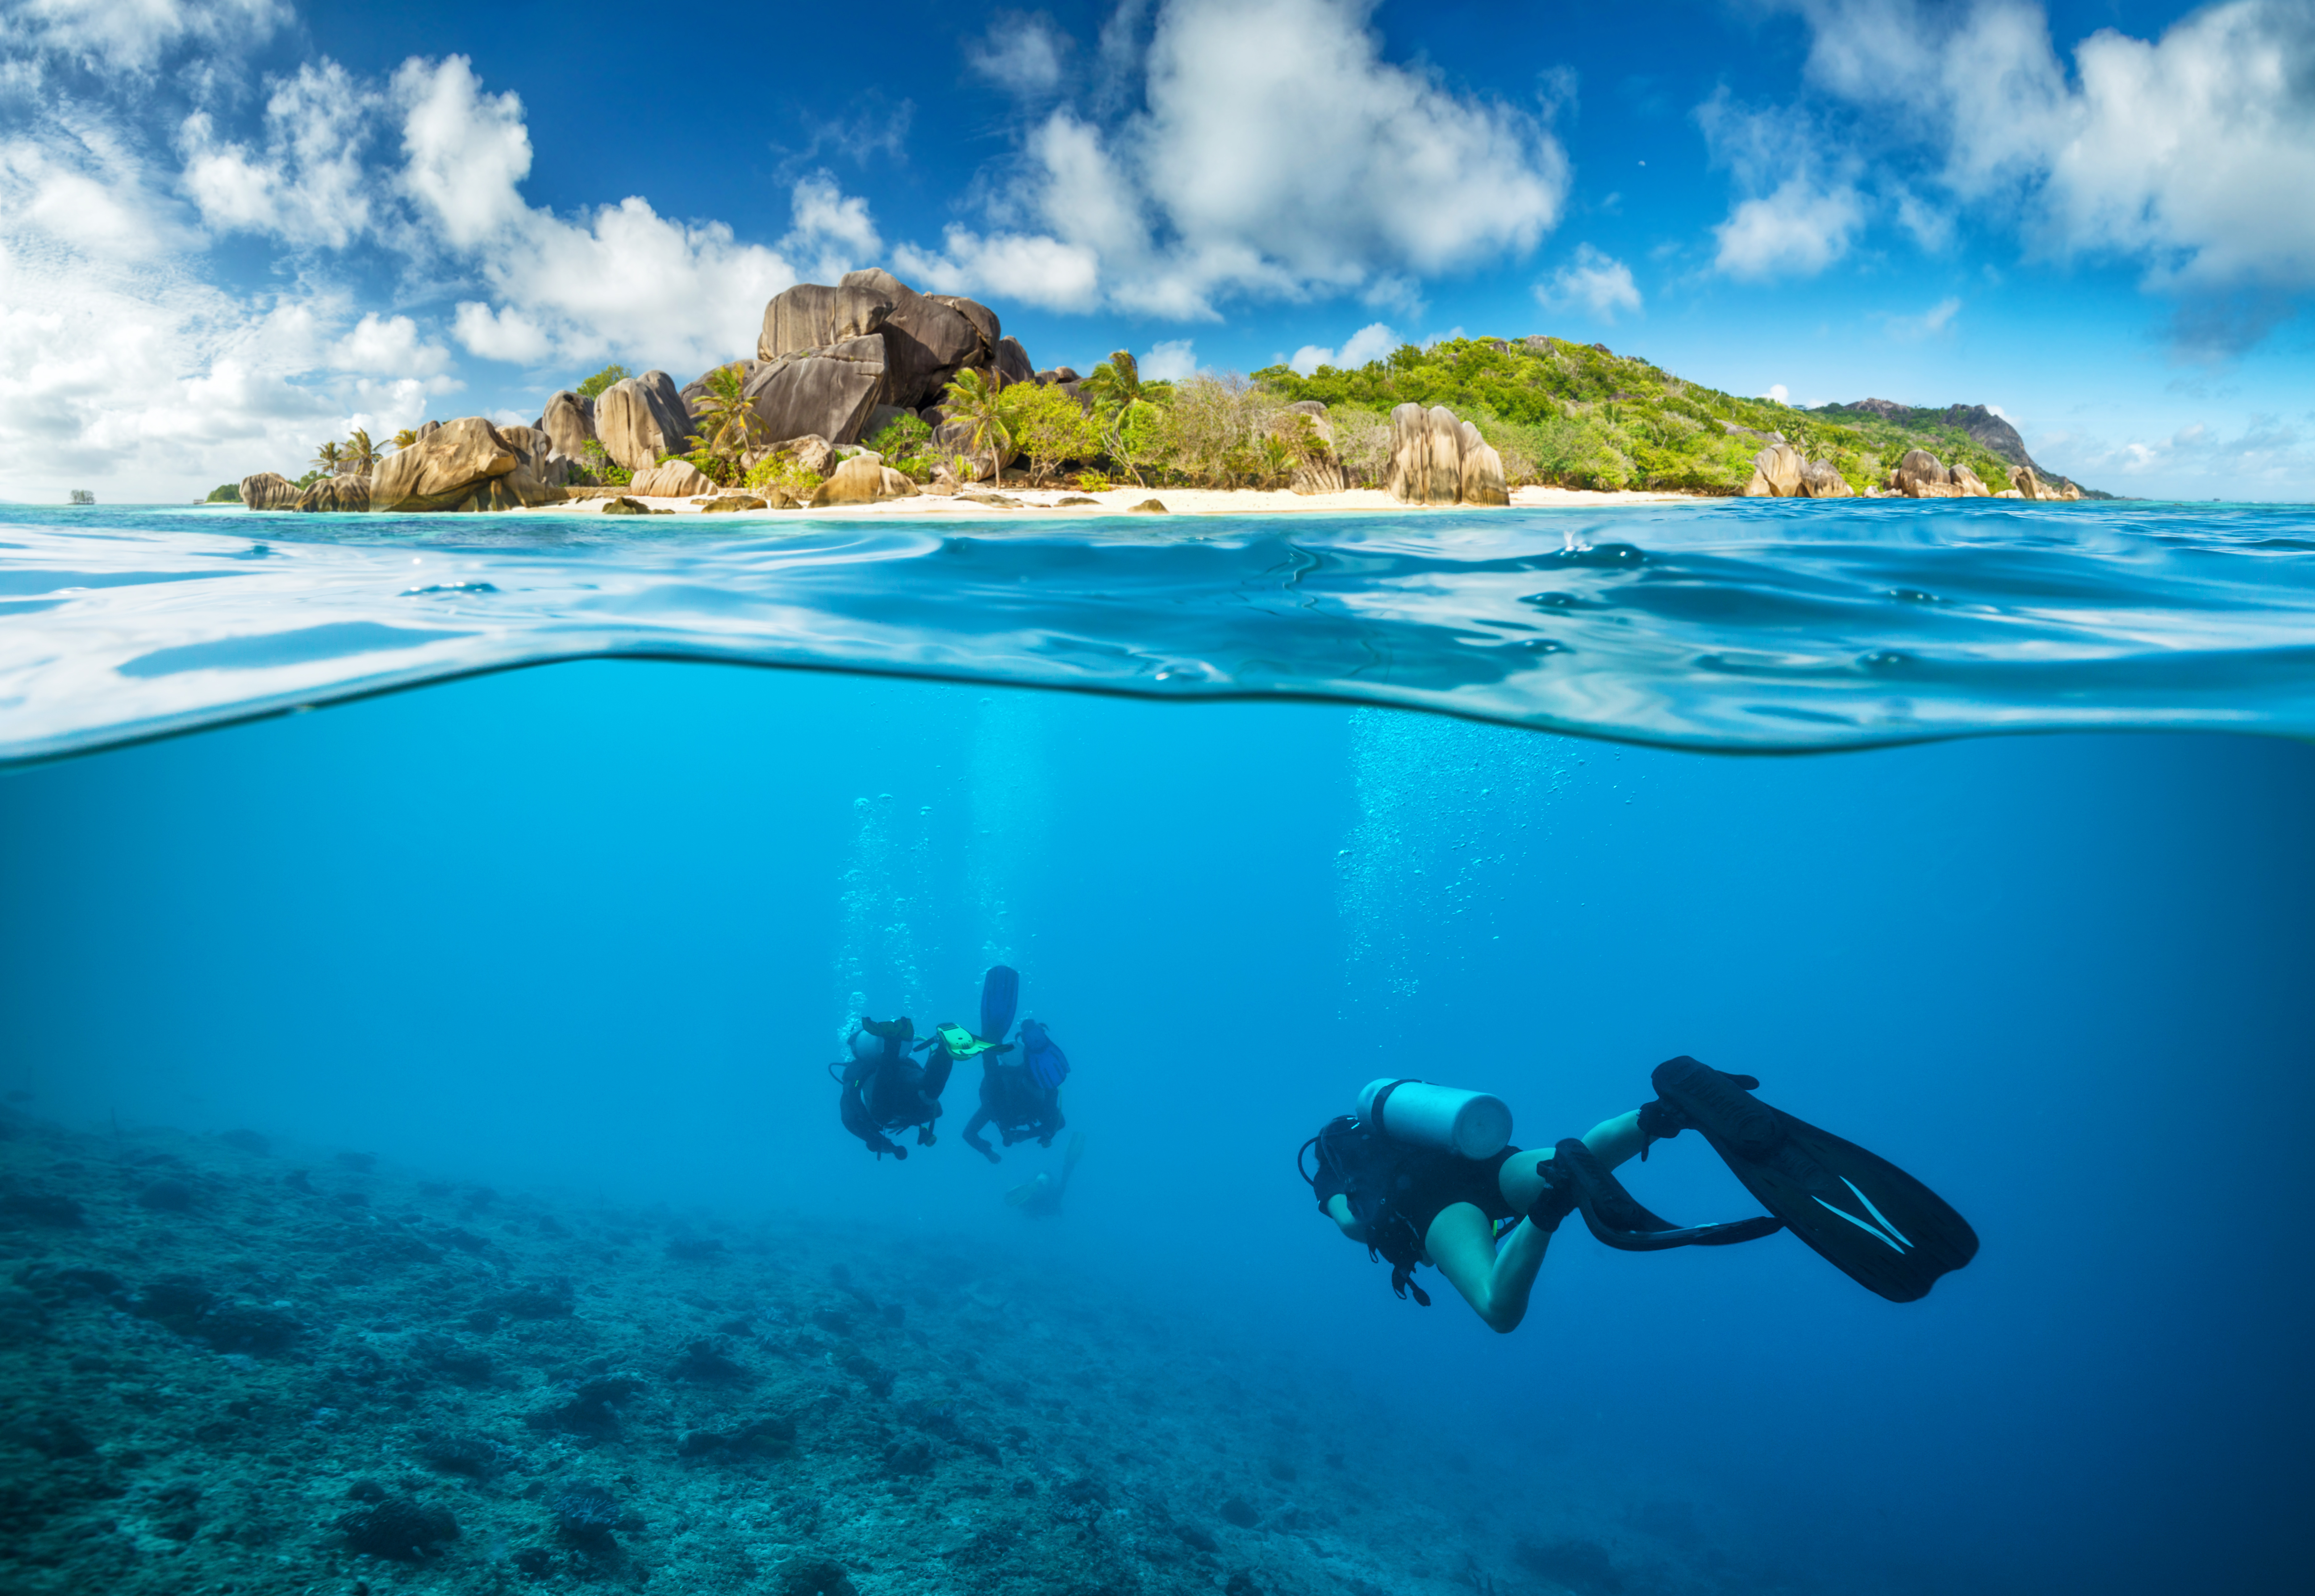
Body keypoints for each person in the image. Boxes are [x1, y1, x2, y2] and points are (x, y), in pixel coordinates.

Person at [1302, 1057, 1978, 1331]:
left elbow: (1354, 1229)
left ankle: (1551, 1206)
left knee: (1499, 1305)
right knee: (1570, 1156)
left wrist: (1364, 1211)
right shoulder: (1412, 1118)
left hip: (1432, 1203)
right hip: (1489, 1158)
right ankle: (1661, 1115)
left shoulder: (1334, 1162)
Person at [834, 1017, 949, 1160]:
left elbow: (849, 1119)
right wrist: (908, 1121)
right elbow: (937, 1108)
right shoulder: (905, 1061)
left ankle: (892, 1043)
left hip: (888, 1088)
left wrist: (873, 1137)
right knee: (930, 1097)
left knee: (882, 1116)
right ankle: (945, 1048)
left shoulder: (855, 1072)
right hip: (907, 1074)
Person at [962, 1017, 1069, 1163]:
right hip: (1023, 1105)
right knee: (996, 1081)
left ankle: (990, 1049)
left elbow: (969, 1134)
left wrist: (988, 1152)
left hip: (1004, 1108)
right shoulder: (1035, 1087)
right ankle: (995, 1049)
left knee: (994, 1080)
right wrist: (1029, 1135)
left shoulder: (996, 1096)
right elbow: (1059, 1123)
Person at [1006, 1131, 1086, 1216]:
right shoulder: (1055, 1197)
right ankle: (1039, 1184)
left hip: (1042, 1204)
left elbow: (1065, 1178)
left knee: (1046, 1187)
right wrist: (1070, 1165)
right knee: (1053, 1188)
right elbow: (1065, 1179)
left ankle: (1038, 1184)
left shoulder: (1053, 1198)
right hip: (1045, 1204)